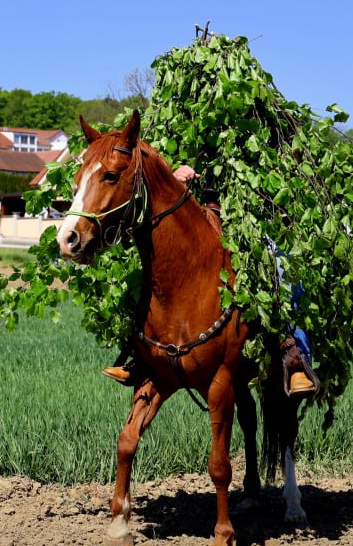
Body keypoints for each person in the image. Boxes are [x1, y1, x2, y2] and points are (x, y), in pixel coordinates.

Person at [100, 163, 319, 398]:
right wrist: (176, 178)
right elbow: (161, 177)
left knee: (280, 265)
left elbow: (284, 169)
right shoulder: (190, 126)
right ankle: (141, 352)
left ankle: (295, 357)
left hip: (255, 213)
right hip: (196, 211)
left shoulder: (273, 128)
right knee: (148, 258)